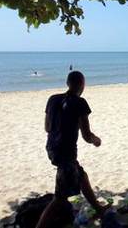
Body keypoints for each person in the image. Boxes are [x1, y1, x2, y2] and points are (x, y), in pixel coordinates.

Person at [36, 71, 108, 228]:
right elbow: (87, 136)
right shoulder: (80, 103)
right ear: (82, 84)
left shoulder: (53, 99)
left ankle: (99, 209)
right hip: (65, 153)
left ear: (68, 83)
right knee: (60, 198)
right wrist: (96, 140)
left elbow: (47, 127)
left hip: (52, 148)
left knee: (81, 176)